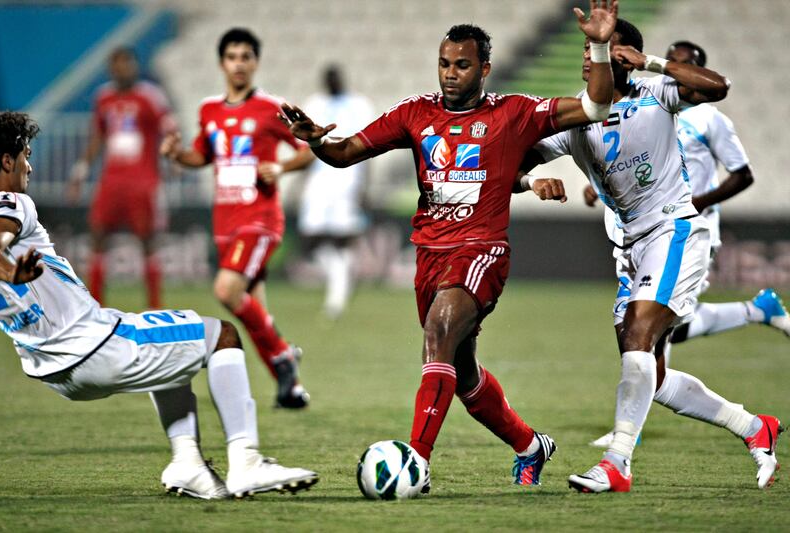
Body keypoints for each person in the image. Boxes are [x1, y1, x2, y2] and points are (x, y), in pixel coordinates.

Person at [279, 0, 619, 491]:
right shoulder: (415, 114)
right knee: (459, 373)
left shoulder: (513, 114)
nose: (450, 74)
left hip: (482, 250)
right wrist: (315, 141)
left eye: (462, 65)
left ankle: (414, 462)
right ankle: (530, 445)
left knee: (438, 335)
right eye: (444, 64)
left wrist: (603, 44)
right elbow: (346, 151)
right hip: (429, 255)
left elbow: (595, 106)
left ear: (484, 68)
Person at [0, 111, 318, 500]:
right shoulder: (11, 202)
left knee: (170, 350)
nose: (30, 165)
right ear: (7, 160)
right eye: (26, 154)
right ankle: (246, 461)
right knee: (222, 335)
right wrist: (10, 272)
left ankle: (188, 464)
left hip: (51, 370)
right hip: (95, 346)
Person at [517, 20, 783, 492]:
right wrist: (529, 181)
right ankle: (753, 427)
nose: (588, 55)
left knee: (639, 335)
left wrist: (653, 62)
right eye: (586, 46)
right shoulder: (576, 114)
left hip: (674, 228)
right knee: (649, 375)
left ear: (628, 57)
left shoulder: (656, 89)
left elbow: (718, 87)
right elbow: (516, 160)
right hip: (630, 247)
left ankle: (617, 463)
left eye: (601, 47)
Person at [585, 39, 789, 450]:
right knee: (655, 345)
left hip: (685, 229)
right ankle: (751, 416)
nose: (675, 68)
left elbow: (742, 174)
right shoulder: (632, 108)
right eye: (672, 60)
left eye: (684, 64)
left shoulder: (706, 117)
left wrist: (697, 201)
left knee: (647, 329)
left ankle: (623, 445)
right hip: (637, 237)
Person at [161, 28, 315, 408]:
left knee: (227, 291)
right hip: (224, 224)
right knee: (255, 311)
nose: (239, 64)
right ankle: (290, 386)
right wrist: (176, 154)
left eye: (246, 56)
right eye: (232, 57)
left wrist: (279, 168)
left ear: (255, 62)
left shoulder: (270, 108)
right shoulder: (209, 110)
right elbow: (202, 155)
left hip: (259, 220)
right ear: (221, 64)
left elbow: (308, 150)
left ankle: (282, 357)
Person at [68, 47, 177, 309]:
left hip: (143, 182)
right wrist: (81, 169)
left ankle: (154, 307)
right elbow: (98, 136)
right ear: (110, 68)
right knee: (97, 236)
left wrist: (173, 157)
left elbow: (169, 128)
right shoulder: (104, 97)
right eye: (116, 64)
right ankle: (95, 306)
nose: (122, 69)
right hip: (111, 181)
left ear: (134, 66)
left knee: (147, 241)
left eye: (126, 63)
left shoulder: (149, 96)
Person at [298, 65, 374, 320]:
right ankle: (340, 280)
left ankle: (337, 295)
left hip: (347, 178)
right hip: (319, 180)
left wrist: (365, 185)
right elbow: (306, 148)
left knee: (342, 238)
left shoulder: (359, 105)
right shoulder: (314, 103)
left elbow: (368, 147)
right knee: (310, 237)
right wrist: (301, 182)